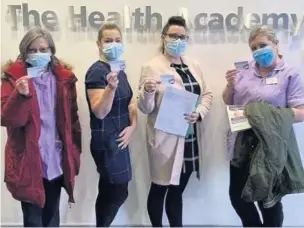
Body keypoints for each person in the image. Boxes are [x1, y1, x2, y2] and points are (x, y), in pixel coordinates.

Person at [222, 25, 304, 227]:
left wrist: (262, 115)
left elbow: (301, 112)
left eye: (263, 45)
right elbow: (228, 100)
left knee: (268, 200)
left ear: (276, 44)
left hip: (269, 146)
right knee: (238, 196)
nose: (258, 50)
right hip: (241, 142)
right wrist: (230, 85)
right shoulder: (244, 70)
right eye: (254, 47)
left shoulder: (290, 73)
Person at [1, 28, 81, 227]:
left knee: (52, 215)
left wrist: (74, 154)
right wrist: (20, 96)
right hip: (28, 161)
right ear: (24, 51)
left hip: (55, 158)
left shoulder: (63, 78)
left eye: (43, 49)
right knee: (33, 220)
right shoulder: (13, 79)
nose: (38, 54)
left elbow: (72, 120)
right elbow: (7, 119)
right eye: (32, 50)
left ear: (51, 50)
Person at [137, 16, 213, 227]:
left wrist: (199, 112)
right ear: (163, 37)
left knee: (178, 188)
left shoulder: (194, 65)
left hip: (189, 137)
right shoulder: (152, 67)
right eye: (173, 36)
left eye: (182, 36)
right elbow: (145, 108)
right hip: (164, 138)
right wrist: (147, 91)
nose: (178, 40)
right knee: (160, 186)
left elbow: (206, 94)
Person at [84, 22, 137, 227]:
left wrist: (133, 127)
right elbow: (100, 111)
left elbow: (131, 102)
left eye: (117, 40)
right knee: (116, 190)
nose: (113, 44)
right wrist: (110, 88)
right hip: (106, 141)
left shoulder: (119, 69)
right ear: (99, 44)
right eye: (108, 40)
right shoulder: (97, 72)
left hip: (120, 139)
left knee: (113, 189)